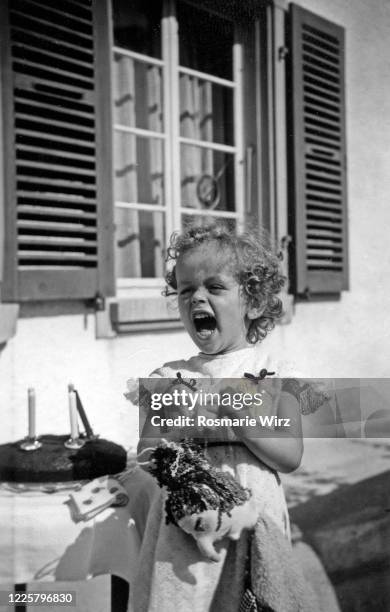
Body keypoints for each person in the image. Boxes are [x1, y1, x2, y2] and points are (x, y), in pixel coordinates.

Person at [128, 222, 305, 612]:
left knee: (252, 596)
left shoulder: (276, 374)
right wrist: (165, 424)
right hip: (185, 520)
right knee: (184, 596)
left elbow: (291, 456)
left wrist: (245, 422)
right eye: (186, 289)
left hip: (254, 513)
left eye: (215, 287)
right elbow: (146, 454)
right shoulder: (168, 377)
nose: (196, 298)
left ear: (254, 302)